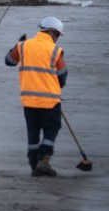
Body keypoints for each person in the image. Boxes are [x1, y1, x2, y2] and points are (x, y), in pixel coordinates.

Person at [5, 16, 68, 177]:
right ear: (52, 32)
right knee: (52, 129)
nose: (57, 38)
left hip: (29, 101)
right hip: (49, 101)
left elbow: (9, 61)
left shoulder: (23, 46)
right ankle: (44, 160)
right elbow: (62, 77)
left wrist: (16, 45)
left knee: (33, 132)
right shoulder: (55, 50)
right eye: (58, 35)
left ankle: (34, 164)